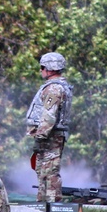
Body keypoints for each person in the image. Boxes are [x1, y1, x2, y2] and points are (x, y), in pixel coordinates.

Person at [25, 52, 73, 202]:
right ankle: (43, 205)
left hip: (50, 137)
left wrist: (39, 135)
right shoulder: (56, 87)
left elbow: (49, 116)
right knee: (43, 171)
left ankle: (51, 206)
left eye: (42, 67)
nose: (41, 70)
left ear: (50, 68)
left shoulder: (54, 89)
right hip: (49, 136)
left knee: (49, 172)